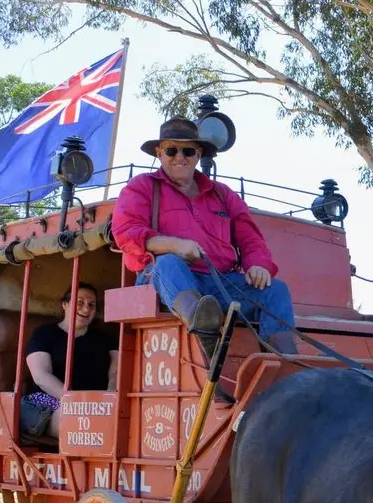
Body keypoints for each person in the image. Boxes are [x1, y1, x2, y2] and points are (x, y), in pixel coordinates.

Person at [111, 117, 300, 358]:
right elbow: (126, 233)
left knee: (275, 290)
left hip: (218, 282)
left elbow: (250, 236)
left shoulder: (222, 194)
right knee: (169, 262)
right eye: (171, 150)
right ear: (159, 153)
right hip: (164, 281)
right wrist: (175, 245)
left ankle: (286, 364)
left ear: (198, 154)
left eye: (188, 150)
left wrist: (258, 264)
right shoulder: (142, 186)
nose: (180, 156)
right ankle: (205, 332)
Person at [21, 283, 119, 439]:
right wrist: (76, 404)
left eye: (91, 305)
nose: (86, 309)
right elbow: (41, 376)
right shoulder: (44, 334)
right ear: (65, 304)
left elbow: (116, 371)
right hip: (48, 404)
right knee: (77, 422)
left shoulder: (105, 339)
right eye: (79, 303)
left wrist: (110, 398)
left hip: (97, 407)